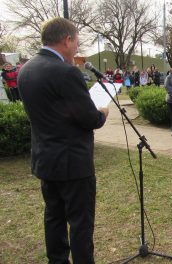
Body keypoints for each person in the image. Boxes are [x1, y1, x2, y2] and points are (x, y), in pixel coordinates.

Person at [18, 17, 109, 263]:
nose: (78, 47)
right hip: (73, 163)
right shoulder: (66, 72)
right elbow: (89, 119)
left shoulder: (26, 69)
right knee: (80, 222)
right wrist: (102, 113)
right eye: (77, 41)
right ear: (67, 39)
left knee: (54, 217)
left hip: (45, 158)